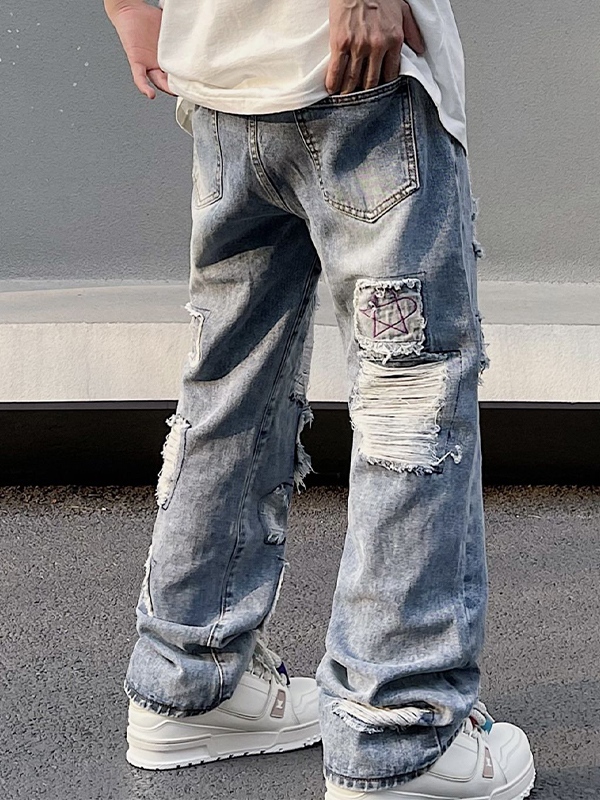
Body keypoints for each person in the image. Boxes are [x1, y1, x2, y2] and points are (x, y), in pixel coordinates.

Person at [103, 0, 536, 797]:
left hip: (223, 82)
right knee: (408, 399)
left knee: (228, 387)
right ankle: (396, 732)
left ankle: (190, 680)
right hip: (351, 77)